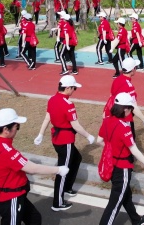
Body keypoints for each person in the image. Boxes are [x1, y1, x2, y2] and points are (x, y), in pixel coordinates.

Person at [0, 108, 68, 225]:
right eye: (16, 126)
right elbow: (32, 168)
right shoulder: (8, 152)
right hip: (11, 198)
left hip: (13, 195)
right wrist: (58, 170)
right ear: (6, 129)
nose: (17, 129)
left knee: (35, 219)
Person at [34, 75, 96, 211]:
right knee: (63, 170)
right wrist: (88, 136)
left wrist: (41, 134)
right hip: (65, 140)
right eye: (73, 88)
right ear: (67, 88)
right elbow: (75, 125)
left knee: (77, 158)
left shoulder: (52, 99)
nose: (74, 90)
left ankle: (67, 187)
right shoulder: (68, 104)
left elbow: (47, 118)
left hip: (57, 138)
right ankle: (58, 202)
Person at [97, 93, 144, 225]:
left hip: (112, 164)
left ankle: (136, 219)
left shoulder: (106, 121)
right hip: (122, 168)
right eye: (131, 108)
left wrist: (111, 148)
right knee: (114, 204)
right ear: (125, 109)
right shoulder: (124, 127)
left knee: (125, 194)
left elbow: (99, 140)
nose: (131, 111)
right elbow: (133, 149)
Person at [106, 58, 144, 136]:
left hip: (114, 117)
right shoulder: (128, 86)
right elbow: (133, 106)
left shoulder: (117, 80)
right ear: (133, 69)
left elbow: (111, 97)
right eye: (135, 67)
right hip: (125, 119)